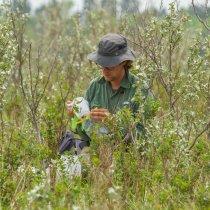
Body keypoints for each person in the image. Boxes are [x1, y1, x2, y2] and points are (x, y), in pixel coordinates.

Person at [65, 33, 146, 153]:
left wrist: (115, 124)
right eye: (101, 65)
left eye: (109, 66)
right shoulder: (95, 86)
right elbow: (86, 137)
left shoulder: (140, 89)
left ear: (124, 62)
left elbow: (145, 138)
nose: (104, 71)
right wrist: (77, 117)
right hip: (97, 155)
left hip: (128, 160)